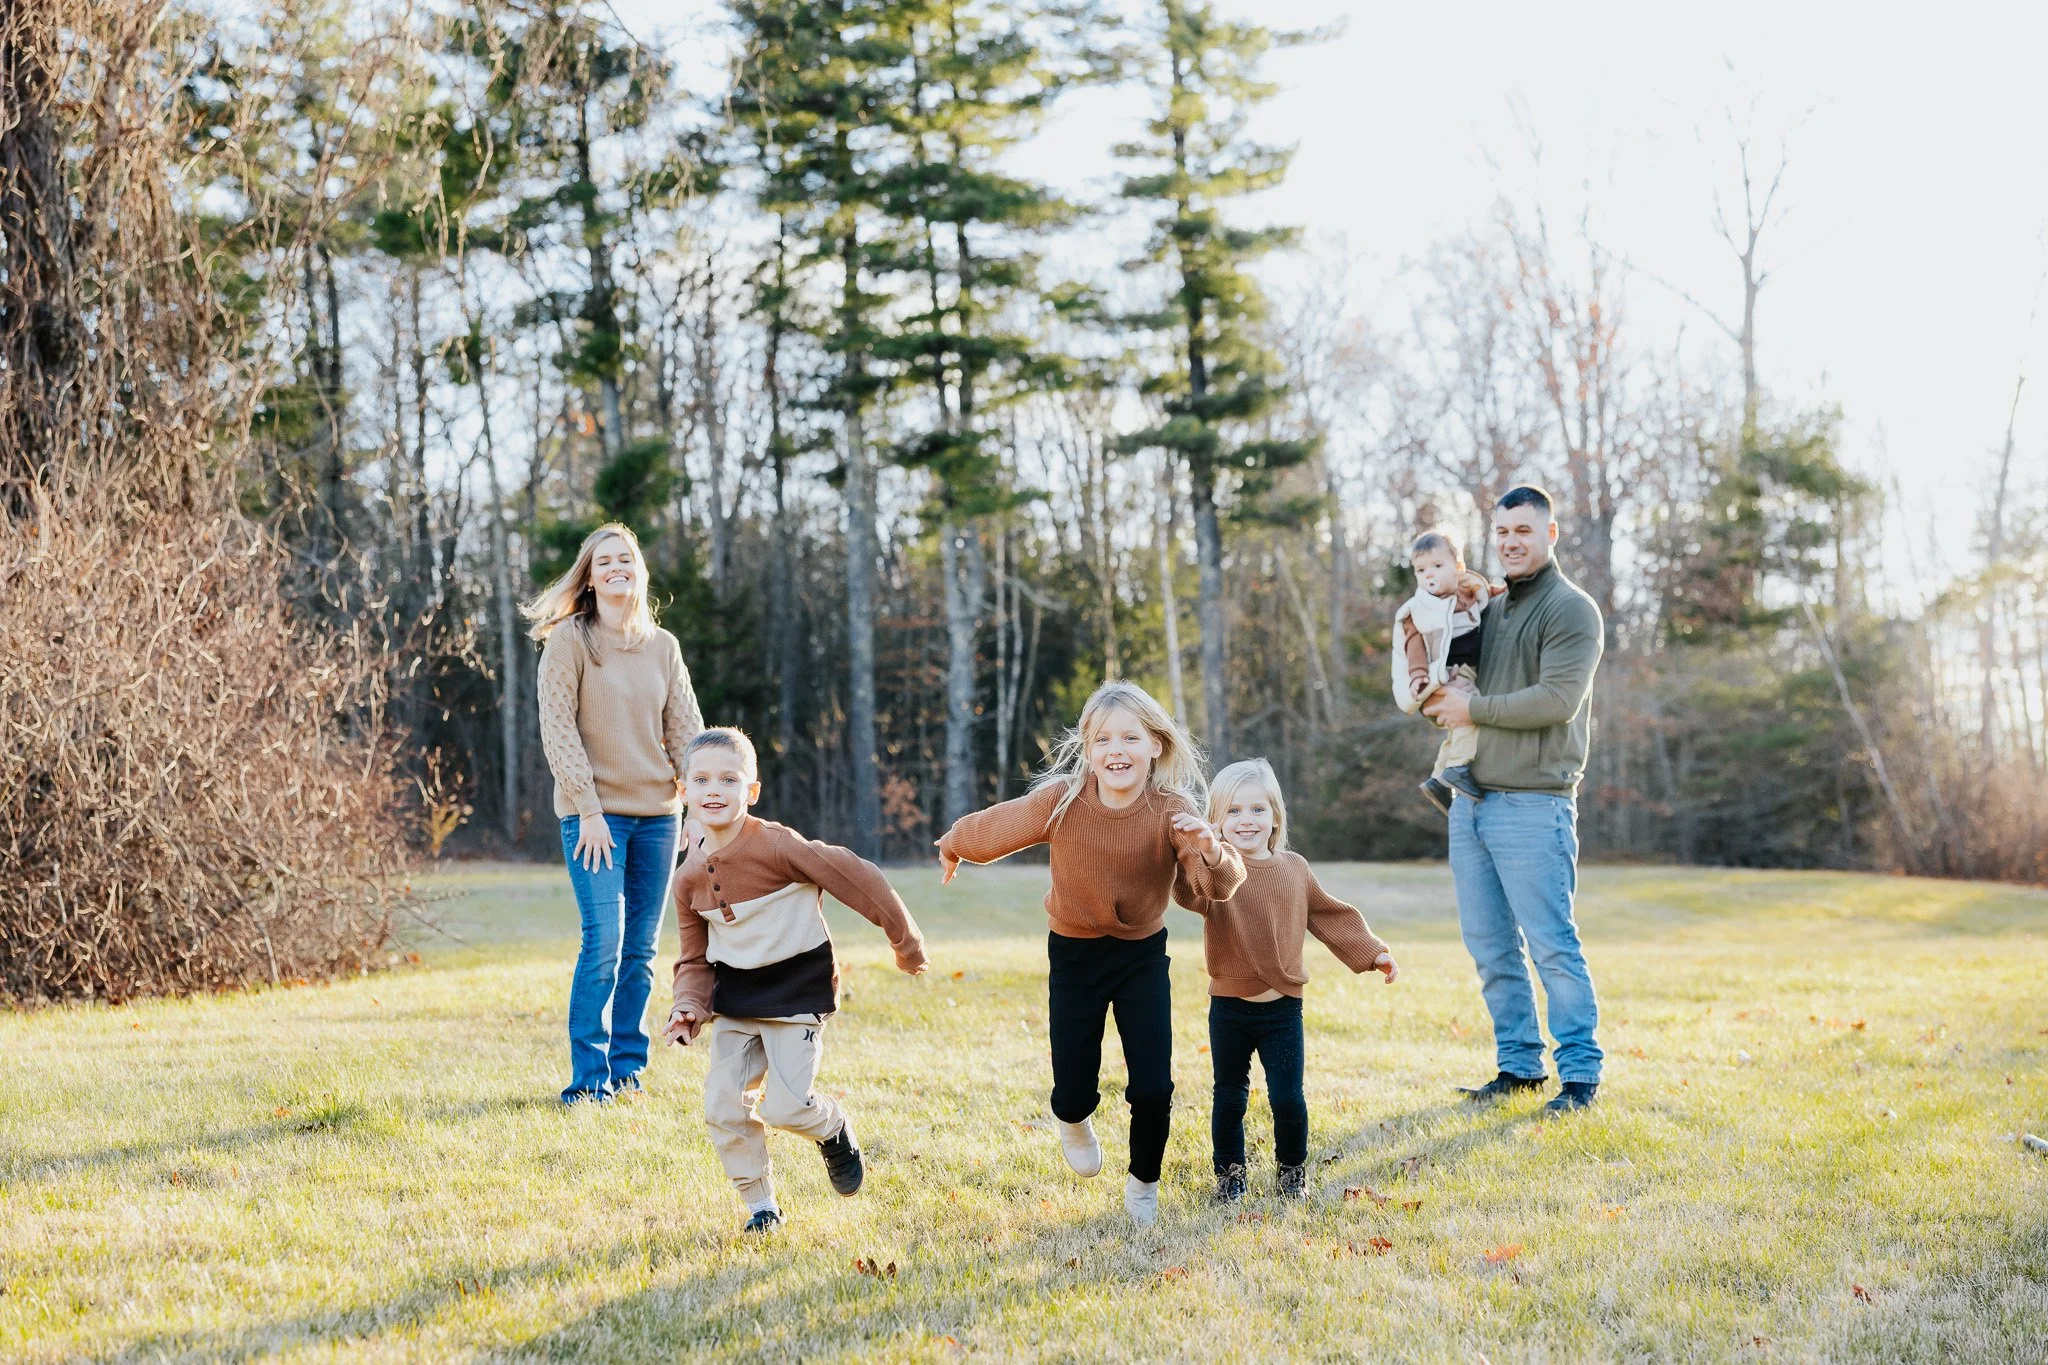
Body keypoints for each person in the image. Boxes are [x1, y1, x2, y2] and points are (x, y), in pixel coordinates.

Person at [936, 681, 1245, 1228]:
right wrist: (956, 841)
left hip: (1142, 955)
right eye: (1103, 739)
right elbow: (1001, 825)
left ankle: (1144, 1184)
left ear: (1156, 745)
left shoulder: (1174, 811)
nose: (1116, 750)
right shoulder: (1062, 802)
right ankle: (1072, 1120)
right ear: (1088, 747)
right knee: (1073, 1083)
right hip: (1074, 954)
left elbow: (1215, 886)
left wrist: (1212, 850)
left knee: (1153, 1085)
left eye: (1131, 737)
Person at [664, 728, 927, 1233]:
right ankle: (761, 1207)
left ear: (752, 791)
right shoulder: (688, 880)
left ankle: (832, 1128)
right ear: (684, 792)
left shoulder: (779, 847)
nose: (713, 789)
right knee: (723, 1106)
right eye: (700, 779)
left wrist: (905, 943)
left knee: (786, 1107)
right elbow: (694, 960)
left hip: (795, 995)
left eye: (728, 778)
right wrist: (687, 1008)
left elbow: (857, 876)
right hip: (737, 1003)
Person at [1423, 485, 1605, 1115]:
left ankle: (1579, 1079)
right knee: (1492, 947)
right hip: (1471, 803)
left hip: (1535, 805)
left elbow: (1557, 701)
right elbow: (1461, 683)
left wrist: (1471, 707)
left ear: (1550, 534)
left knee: (1552, 946)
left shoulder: (1572, 610)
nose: (1510, 542)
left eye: (1523, 531)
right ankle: (1518, 1067)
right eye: (1501, 532)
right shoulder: (1491, 609)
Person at [526, 523, 702, 1104]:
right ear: (590, 574)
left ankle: (628, 1073)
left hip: (658, 815)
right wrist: (589, 808)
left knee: (641, 951)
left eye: (624, 559)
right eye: (604, 561)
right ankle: (586, 1083)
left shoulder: (664, 646)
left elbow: (685, 731)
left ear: (638, 568)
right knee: (604, 940)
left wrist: (700, 807)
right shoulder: (571, 641)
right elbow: (558, 730)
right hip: (593, 820)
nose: (616, 568)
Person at [1177, 759, 1397, 1203]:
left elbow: (1329, 914)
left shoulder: (1294, 868)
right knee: (1230, 1097)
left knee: (1288, 1100)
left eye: (1257, 809)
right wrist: (1208, 851)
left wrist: (1373, 952)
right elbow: (1197, 890)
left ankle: (1292, 1173)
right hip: (1230, 1009)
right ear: (1216, 821)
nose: (1246, 820)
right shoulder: (1218, 869)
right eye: (1233, 812)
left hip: (1282, 1011)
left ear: (1276, 816)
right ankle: (1231, 1176)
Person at [1393, 530, 1504, 813]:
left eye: (1437, 566)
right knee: (1471, 714)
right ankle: (1457, 769)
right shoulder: (1420, 609)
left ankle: (1438, 779)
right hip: (1445, 674)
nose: (1429, 575)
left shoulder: (1469, 592)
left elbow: (1487, 594)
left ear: (1458, 568)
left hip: (1465, 669)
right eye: (1421, 570)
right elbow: (1413, 645)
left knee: (1457, 729)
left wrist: (1501, 591)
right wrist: (1419, 675)